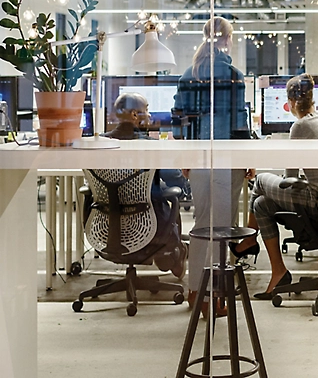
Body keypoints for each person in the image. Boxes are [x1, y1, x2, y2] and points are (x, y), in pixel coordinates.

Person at [231, 74, 318, 300]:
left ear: (292, 102)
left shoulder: (301, 126)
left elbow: (290, 177)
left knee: (262, 181)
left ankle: (248, 239)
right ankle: (279, 272)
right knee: (261, 204)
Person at [177, 16, 256, 316]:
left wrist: (185, 157)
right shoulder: (233, 75)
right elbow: (238, 124)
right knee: (221, 228)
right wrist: (247, 159)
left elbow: (179, 120)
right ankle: (210, 297)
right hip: (225, 161)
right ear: (226, 39)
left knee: (201, 225)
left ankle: (195, 290)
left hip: (198, 160)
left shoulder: (189, 74)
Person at [100, 92, 188, 278]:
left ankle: (168, 251)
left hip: (106, 226)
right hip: (148, 225)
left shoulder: (101, 144)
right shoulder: (150, 146)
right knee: (170, 197)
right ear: (134, 115)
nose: (150, 115)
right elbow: (176, 180)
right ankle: (171, 252)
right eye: (146, 110)